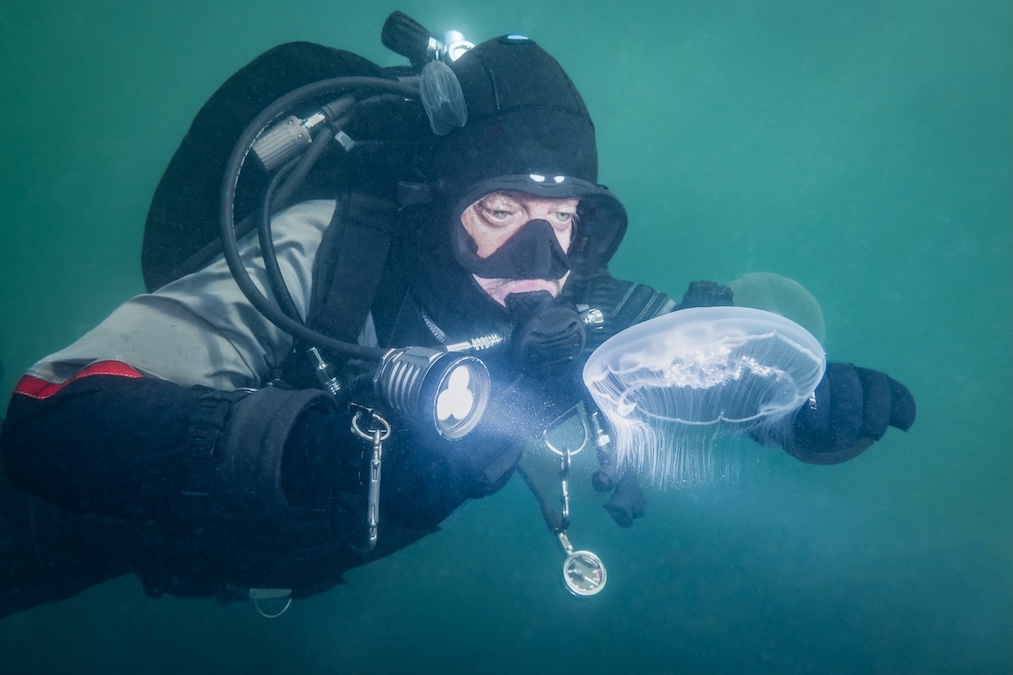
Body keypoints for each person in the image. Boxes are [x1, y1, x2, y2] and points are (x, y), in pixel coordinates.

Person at [0, 14, 915, 617]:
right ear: (436, 204)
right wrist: (313, 446)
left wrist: (805, 413)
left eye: (565, 219)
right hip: (79, 523)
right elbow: (50, 414)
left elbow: (707, 362)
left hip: (256, 567)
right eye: (500, 210)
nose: (538, 259)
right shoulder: (329, 247)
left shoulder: (579, 297)